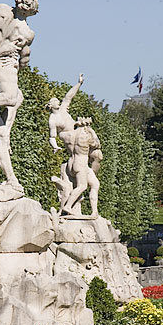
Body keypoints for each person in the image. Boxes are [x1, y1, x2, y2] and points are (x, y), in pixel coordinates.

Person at [47, 74, 102, 218]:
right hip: (77, 159)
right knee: (82, 186)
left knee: (95, 184)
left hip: (79, 159)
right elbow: (52, 136)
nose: (57, 101)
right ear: (50, 106)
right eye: (54, 101)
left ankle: (94, 212)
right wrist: (54, 146)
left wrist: (79, 83)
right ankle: (67, 206)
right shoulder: (54, 120)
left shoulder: (64, 110)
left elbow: (68, 97)